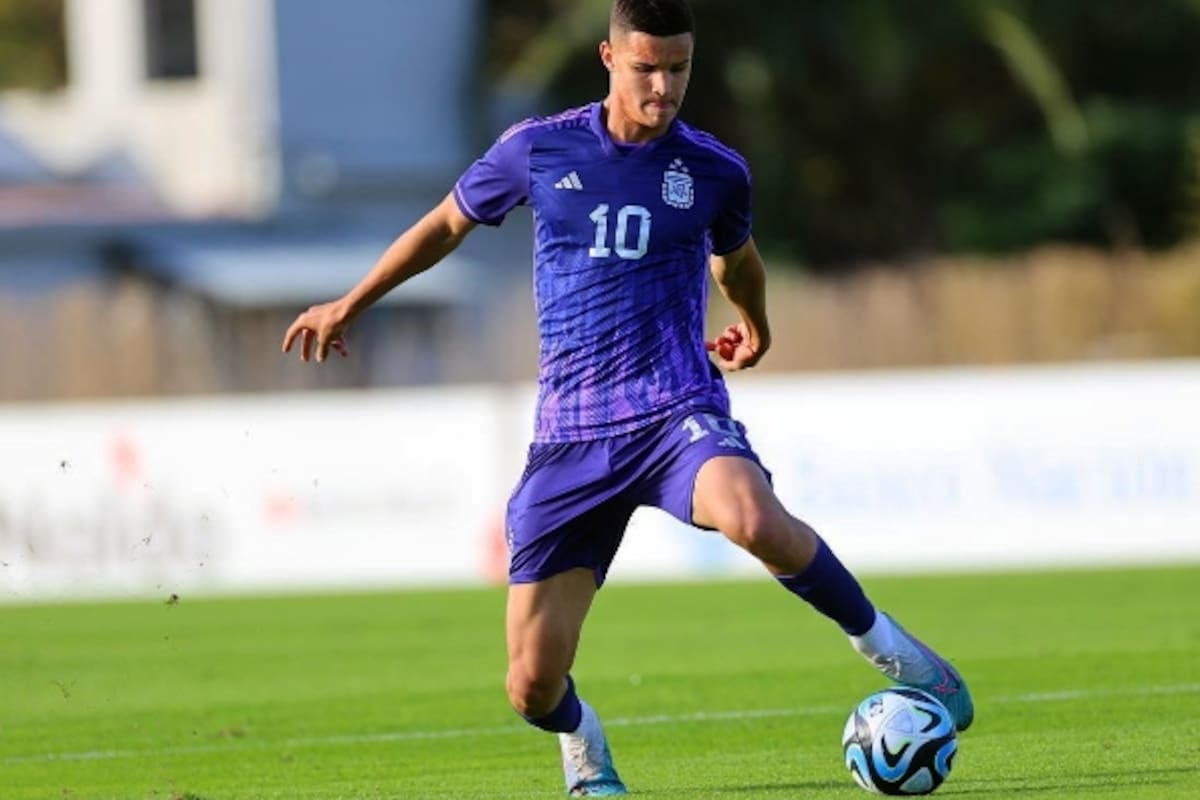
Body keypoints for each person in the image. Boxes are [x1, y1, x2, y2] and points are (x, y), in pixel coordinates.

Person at [281, 0, 974, 795]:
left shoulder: (714, 169)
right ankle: (581, 739)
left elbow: (736, 261)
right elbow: (445, 225)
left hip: (673, 407)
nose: (664, 86)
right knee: (531, 687)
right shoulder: (539, 150)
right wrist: (351, 301)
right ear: (609, 58)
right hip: (570, 437)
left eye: (679, 68)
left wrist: (755, 323)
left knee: (753, 519)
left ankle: (897, 653)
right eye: (647, 67)